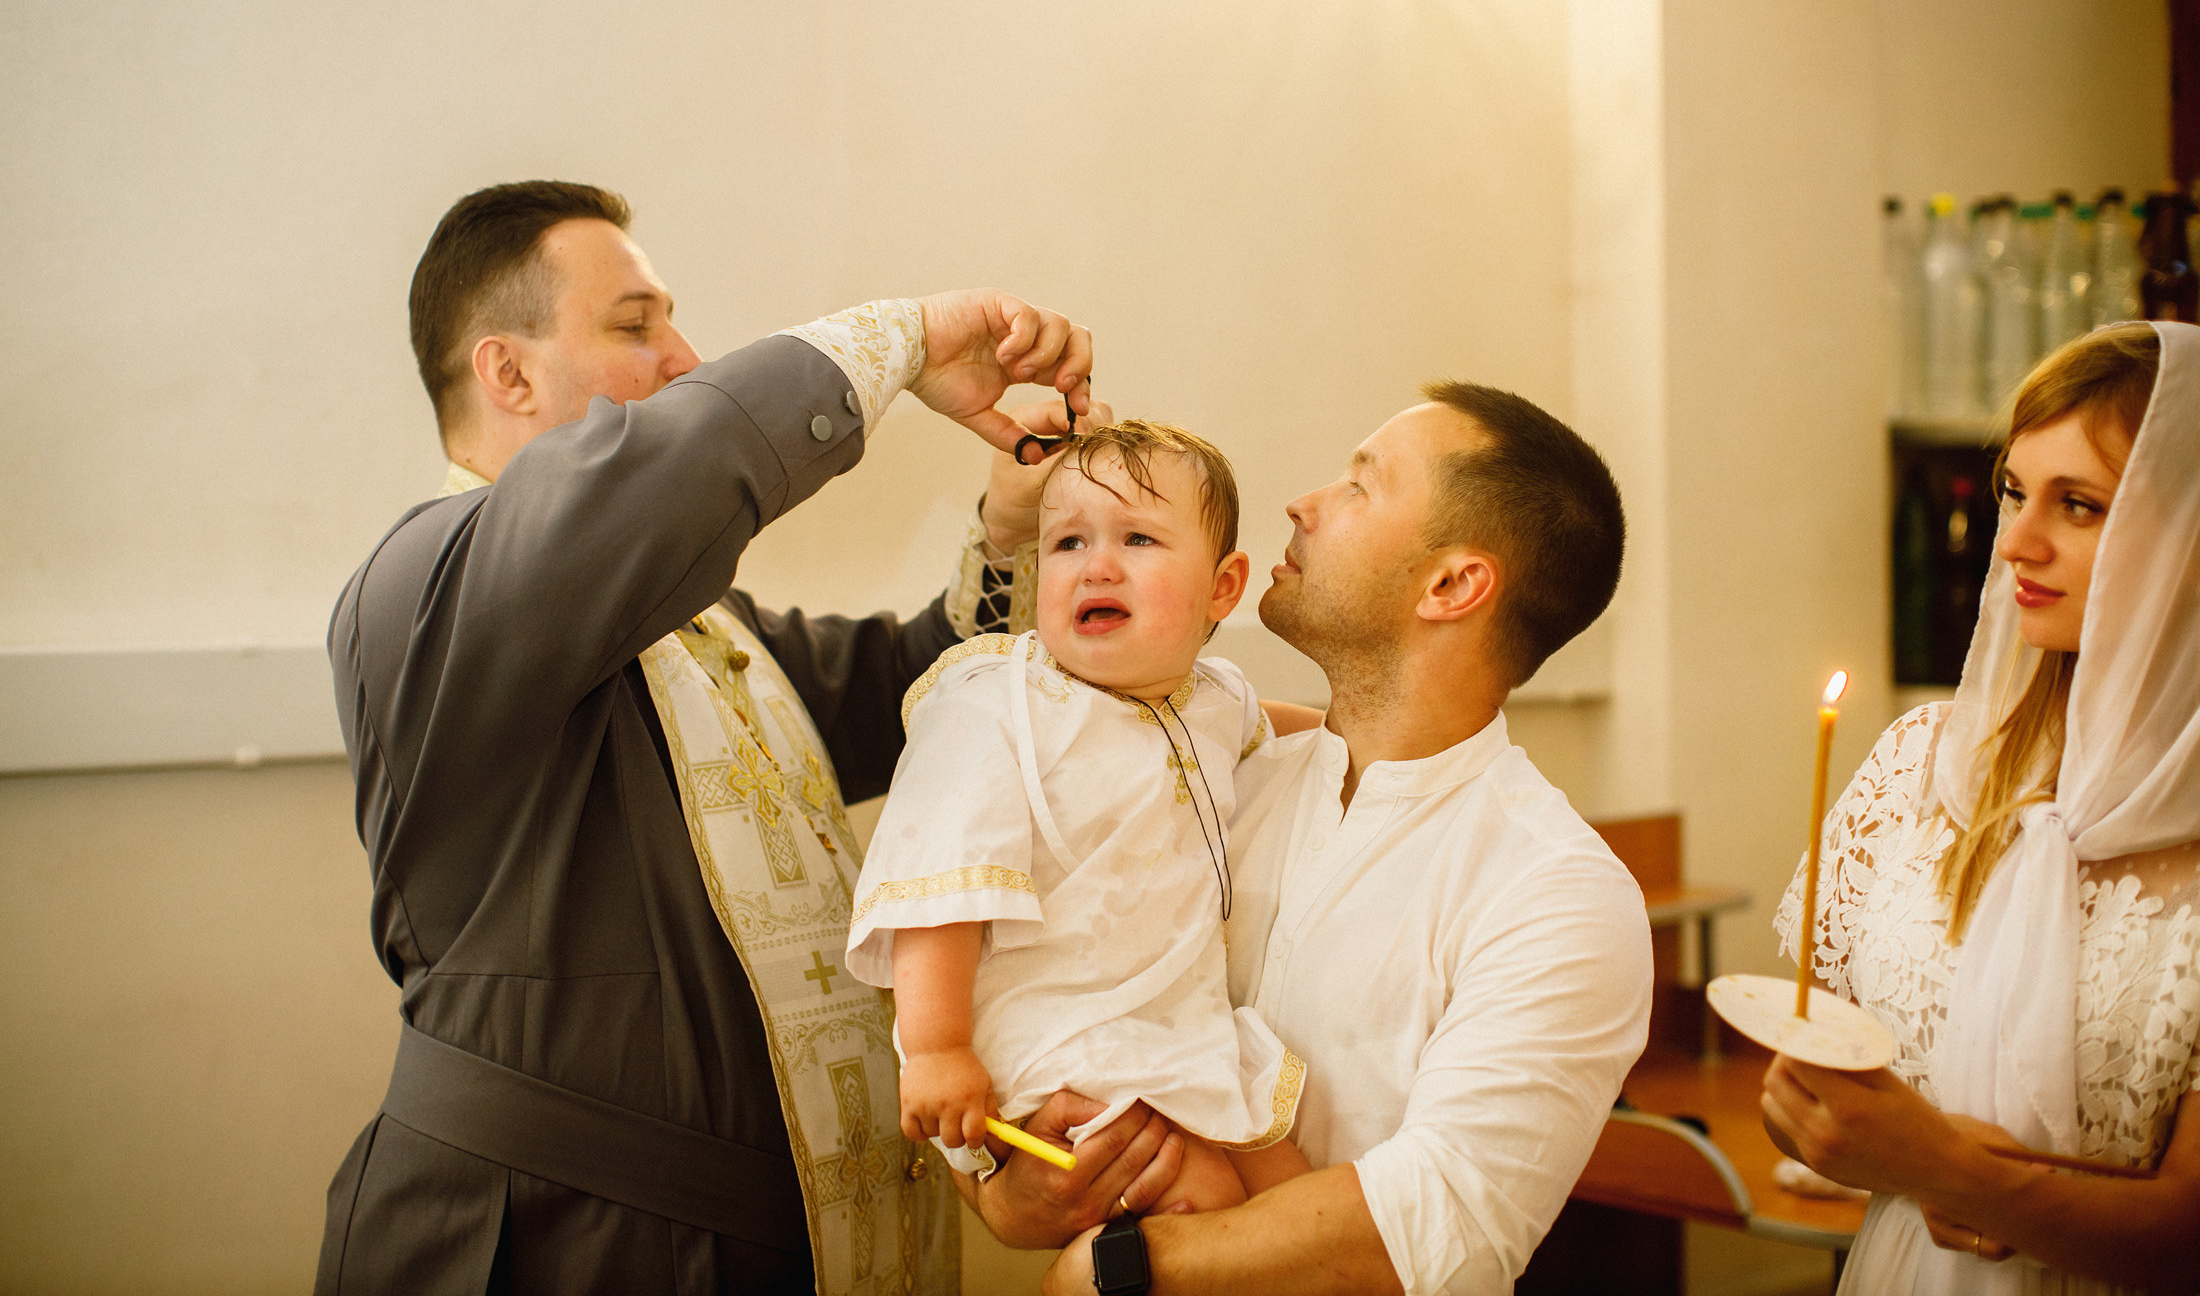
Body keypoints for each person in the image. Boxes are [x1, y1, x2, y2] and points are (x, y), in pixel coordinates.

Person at [316, 179, 1106, 1296]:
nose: (685, 356)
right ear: (508, 372)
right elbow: (666, 473)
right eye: (635, 325)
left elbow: (913, 690)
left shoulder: (699, 624)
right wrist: (909, 337)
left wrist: (1013, 531)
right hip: (580, 1241)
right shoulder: (426, 585)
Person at [973, 382, 1652, 1294]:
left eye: (1359, 485)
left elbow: (1441, 1218)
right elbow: (1051, 981)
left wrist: (1115, 1270)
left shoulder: (1558, 893)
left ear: (1453, 584)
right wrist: (1007, 1193)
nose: (1304, 502)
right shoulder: (1214, 776)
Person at [1765, 320, 2200, 1295]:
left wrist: (1949, 1171)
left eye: (2078, 505)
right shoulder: (1919, 767)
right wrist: (1816, 1117)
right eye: (2012, 491)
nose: (2015, 542)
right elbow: (1816, 1096)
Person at [844, 421, 1312, 1218]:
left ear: (1223, 588)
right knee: (1203, 1195)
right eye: (1066, 542)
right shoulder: (997, 703)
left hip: (1169, 1017)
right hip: (1060, 1034)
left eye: (1136, 537)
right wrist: (936, 1047)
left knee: (1293, 1186)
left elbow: (1303, 730)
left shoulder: (1214, 695)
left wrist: (1368, 733)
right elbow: (939, 885)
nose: (1096, 564)